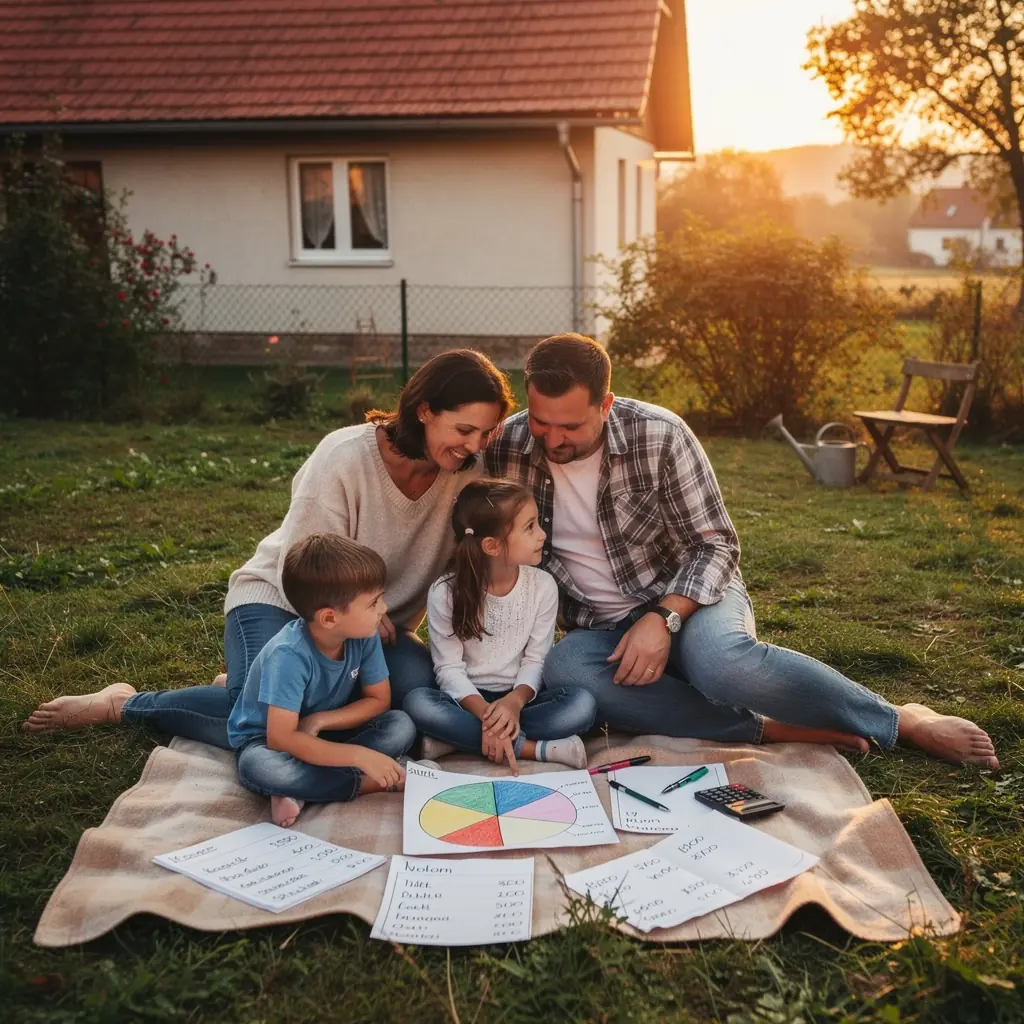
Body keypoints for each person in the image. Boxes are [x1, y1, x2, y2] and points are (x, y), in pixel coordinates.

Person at [484, 333, 999, 770]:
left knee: (722, 665)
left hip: (689, 596)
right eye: (542, 421)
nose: (553, 439)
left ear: (606, 405)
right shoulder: (507, 446)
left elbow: (715, 544)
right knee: (566, 671)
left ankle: (899, 719)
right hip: (600, 627)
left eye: (571, 426)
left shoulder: (659, 435)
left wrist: (662, 619)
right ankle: (765, 727)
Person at [22, 350, 515, 748]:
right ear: (424, 410)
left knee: (414, 700)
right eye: (463, 430)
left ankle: (255, 684)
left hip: (370, 629)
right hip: (284, 601)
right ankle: (125, 704)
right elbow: (304, 563)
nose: (474, 446)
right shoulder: (345, 457)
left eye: (484, 433)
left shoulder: (468, 475)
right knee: (265, 724)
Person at [404, 479, 597, 772]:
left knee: (581, 705)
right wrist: (488, 716)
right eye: (529, 527)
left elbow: (536, 659)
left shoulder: (542, 586)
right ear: (492, 546)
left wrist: (514, 703)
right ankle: (532, 749)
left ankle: (456, 741)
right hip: (467, 701)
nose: (542, 534)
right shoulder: (445, 593)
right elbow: (449, 669)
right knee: (418, 703)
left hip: (521, 699)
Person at [229, 534, 416, 828]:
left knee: (400, 725)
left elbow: (379, 700)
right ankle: (363, 783)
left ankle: (299, 789)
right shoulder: (288, 655)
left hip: (324, 732)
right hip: (269, 740)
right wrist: (359, 756)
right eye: (373, 603)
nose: (383, 609)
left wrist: (320, 721)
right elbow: (281, 739)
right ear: (329, 618)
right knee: (259, 767)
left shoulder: (364, 634)